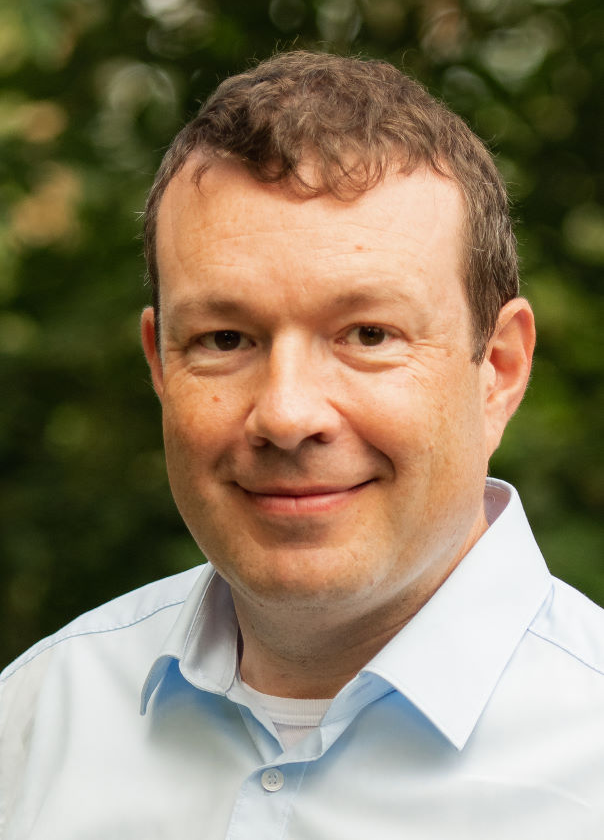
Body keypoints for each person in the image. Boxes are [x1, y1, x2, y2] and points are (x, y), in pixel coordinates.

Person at [1, 51, 603, 839]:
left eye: (368, 334)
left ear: (499, 368)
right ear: (160, 365)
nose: (287, 415)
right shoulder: (35, 722)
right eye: (225, 339)